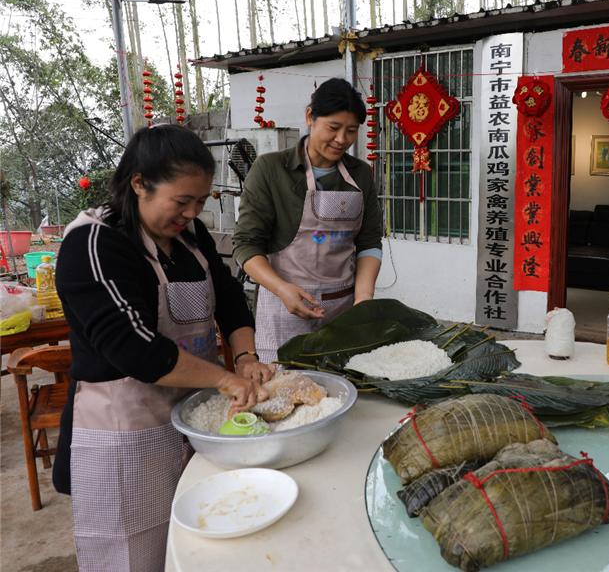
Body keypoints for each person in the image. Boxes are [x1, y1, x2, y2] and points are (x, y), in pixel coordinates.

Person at [53, 124, 274, 572]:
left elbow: (230, 299)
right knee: (135, 554)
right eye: (182, 201)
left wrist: (246, 357)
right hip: (125, 429)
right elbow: (135, 348)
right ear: (140, 183)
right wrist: (224, 379)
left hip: (195, 416)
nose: (191, 214)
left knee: (200, 539)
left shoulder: (191, 237)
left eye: (200, 202)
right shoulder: (95, 243)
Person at [234, 78, 383, 363]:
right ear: (310, 117)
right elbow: (246, 245)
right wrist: (282, 289)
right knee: (286, 382)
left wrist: (363, 298)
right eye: (333, 127)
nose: (342, 139)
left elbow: (369, 242)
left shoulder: (361, 174)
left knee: (342, 381)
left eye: (352, 131)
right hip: (285, 306)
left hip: (343, 309)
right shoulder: (271, 169)